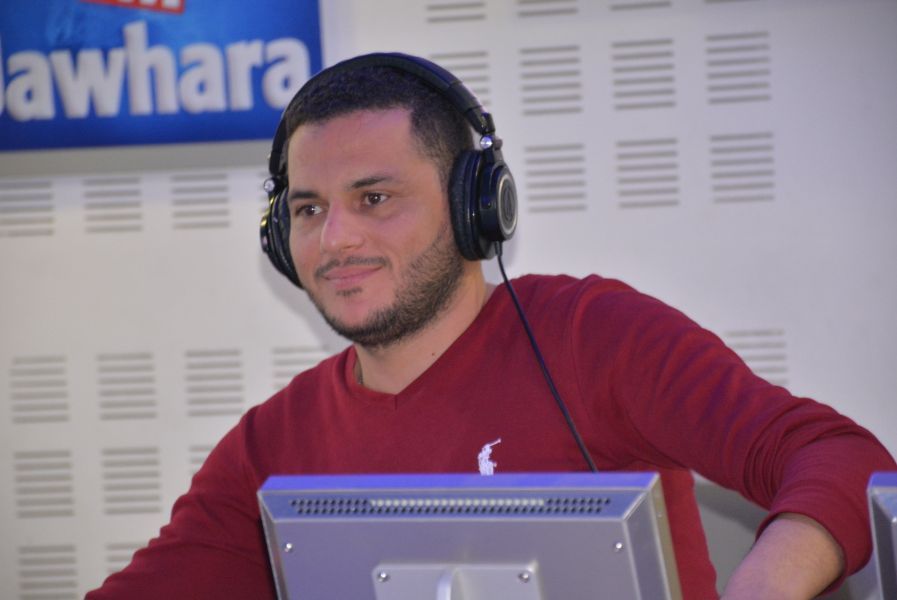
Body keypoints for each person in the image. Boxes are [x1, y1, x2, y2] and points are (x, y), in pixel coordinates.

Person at [87, 53, 896, 599]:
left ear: (476, 206)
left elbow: (838, 458)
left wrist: (762, 586)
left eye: (374, 198)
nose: (334, 239)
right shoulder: (272, 444)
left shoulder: (592, 338)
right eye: (307, 209)